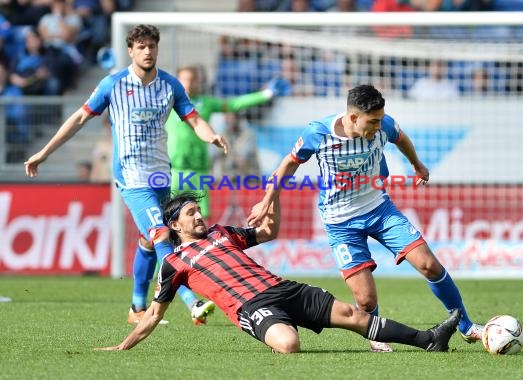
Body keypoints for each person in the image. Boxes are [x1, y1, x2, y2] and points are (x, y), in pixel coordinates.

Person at [247, 84, 482, 353]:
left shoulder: (384, 125)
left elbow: (401, 138)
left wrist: (416, 164)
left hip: (379, 209)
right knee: (366, 300)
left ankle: (466, 326)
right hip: (340, 223)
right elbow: (289, 164)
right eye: (372, 122)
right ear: (353, 117)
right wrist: (267, 200)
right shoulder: (318, 133)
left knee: (429, 265)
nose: (378, 127)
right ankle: (375, 333)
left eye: (380, 120)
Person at [24, 24, 228, 326]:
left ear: (157, 49)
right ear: (130, 50)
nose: (147, 51)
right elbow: (81, 116)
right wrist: (45, 151)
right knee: (161, 233)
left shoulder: (170, 85)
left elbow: (194, 118)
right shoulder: (113, 84)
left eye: (151, 46)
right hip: (131, 177)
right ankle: (191, 301)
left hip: (160, 175)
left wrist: (211, 136)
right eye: (141, 46)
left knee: (150, 240)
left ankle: (136, 307)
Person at [96, 192, 460, 353]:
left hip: (283, 288)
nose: (198, 215)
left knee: (355, 314)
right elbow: (154, 315)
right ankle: (276, 330)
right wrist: (123, 345)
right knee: (289, 345)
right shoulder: (173, 264)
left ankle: (429, 339)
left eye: (198, 210)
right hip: (252, 308)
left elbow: (268, 233)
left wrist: (273, 197)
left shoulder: (223, 233)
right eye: (190, 213)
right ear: (175, 225)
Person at [166, 64, 289, 220]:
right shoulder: (167, 104)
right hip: (173, 171)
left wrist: (266, 94)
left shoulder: (206, 103)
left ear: (198, 81)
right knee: (171, 216)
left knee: (200, 217)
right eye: (184, 79)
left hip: (199, 170)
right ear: (177, 81)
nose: (188, 83)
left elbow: (233, 104)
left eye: (192, 79)